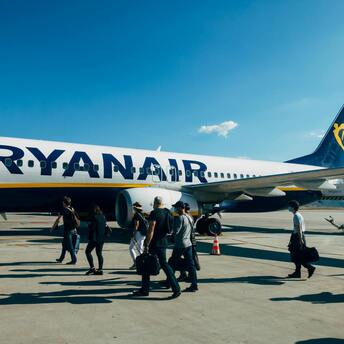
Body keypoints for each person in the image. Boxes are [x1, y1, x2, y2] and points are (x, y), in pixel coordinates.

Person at [133, 196, 181, 298]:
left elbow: (151, 229)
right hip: (164, 242)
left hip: (154, 243)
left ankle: (144, 290)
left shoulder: (154, 213)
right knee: (165, 265)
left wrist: (146, 243)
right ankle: (176, 288)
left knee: (146, 265)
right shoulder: (167, 212)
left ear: (154, 203)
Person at [169, 201, 198, 292]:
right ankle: (194, 284)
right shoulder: (190, 217)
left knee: (172, 263)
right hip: (188, 244)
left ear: (181, 208)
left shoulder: (179, 218)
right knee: (191, 265)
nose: (175, 209)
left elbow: (175, 232)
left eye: (176, 207)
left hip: (180, 245)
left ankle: (170, 282)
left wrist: (171, 236)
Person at [287, 200, 316, 278]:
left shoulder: (296, 216)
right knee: (297, 256)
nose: (288, 208)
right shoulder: (298, 215)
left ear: (293, 207)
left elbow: (299, 228)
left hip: (297, 237)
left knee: (297, 255)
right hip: (297, 236)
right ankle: (297, 273)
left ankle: (310, 268)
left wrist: (300, 240)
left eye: (289, 206)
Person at [52, 196, 79, 265]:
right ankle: (61, 258)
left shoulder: (64, 210)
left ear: (64, 203)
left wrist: (53, 227)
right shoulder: (72, 208)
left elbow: (58, 219)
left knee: (70, 246)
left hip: (68, 230)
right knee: (64, 244)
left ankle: (74, 259)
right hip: (74, 229)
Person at [178, 203, 198, 282]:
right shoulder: (190, 217)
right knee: (190, 261)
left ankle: (187, 275)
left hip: (187, 241)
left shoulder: (185, 217)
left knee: (177, 260)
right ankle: (188, 276)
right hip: (191, 241)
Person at [85, 205, 107, 275]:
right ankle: (100, 269)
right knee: (99, 253)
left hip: (95, 239)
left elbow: (93, 229)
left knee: (87, 252)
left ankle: (92, 268)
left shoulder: (94, 217)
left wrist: (89, 225)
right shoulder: (103, 216)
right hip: (102, 238)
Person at [128, 202, 147, 270]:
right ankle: (142, 263)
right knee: (140, 248)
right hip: (144, 233)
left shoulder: (136, 215)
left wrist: (133, 234)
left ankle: (137, 263)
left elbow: (136, 225)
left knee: (131, 248)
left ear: (135, 208)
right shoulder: (143, 214)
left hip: (138, 233)